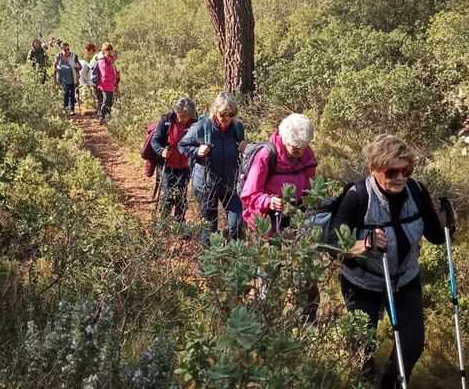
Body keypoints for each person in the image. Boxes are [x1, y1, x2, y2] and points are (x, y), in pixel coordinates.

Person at [333, 134, 448, 389]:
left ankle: (390, 384)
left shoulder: (416, 191)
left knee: (412, 344)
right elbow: (334, 241)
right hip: (363, 282)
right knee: (361, 347)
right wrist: (365, 244)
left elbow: (435, 236)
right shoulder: (358, 195)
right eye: (392, 171)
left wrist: (447, 225)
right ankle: (362, 382)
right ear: (374, 169)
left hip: (405, 279)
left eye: (406, 170)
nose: (400, 178)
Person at [239, 113, 320, 316]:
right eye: (295, 147)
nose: (299, 152)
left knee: (306, 274)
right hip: (269, 224)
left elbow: (308, 183)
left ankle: (307, 323)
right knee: (270, 275)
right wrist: (269, 201)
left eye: (303, 147)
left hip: (296, 222)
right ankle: (268, 320)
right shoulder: (266, 155)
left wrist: (312, 198)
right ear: (284, 138)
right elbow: (248, 195)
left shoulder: (305, 153)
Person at [179, 92, 247, 247]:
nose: (227, 118)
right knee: (210, 226)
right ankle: (208, 263)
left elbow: (240, 149)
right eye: (223, 114)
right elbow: (182, 145)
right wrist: (197, 151)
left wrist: (245, 147)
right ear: (215, 111)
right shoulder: (202, 126)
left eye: (231, 114)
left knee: (237, 222)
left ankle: (233, 258)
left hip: (230, 183)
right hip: (206, 184)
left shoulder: (237, 127)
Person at [150, 97, 198, 223]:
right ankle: (163, 223)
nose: (185, 119)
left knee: (181, 195)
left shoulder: (195, 122)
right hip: (167, 164)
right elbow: (154, 140)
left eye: (187, 116)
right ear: (176, 112)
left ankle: (180, 224)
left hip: (185, 165)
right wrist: (161, 151)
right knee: (168, 194)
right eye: (182, 116)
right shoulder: (166, 121)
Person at [52, 42, 81, 116]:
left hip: (73, 77)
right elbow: (55, 66)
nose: (67, 51)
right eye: (65, 50)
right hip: (63, 78)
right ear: (62, 49)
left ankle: (72, 109)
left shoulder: (74, 56)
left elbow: (80, 67)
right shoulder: (58, 56)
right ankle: (65, 108)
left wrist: (77, 66)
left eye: (68, 49)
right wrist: (56, 68)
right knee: (66, 93)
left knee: (72, 93)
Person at [94, 42, 120, 125]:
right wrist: (115, 76)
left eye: (111, 49)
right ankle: (102, 118)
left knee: (109, 101)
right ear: (104, 50)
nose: (110, 51)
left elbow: (112, 62)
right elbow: (105, 75)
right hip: (105, 84)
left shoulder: (109, 60)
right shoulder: (102, 61)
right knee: (106, 101)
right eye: (107, 49)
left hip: (110, 84)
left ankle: (107, 117)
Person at [85, 42, 103, 112]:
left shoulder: (96, 56)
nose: (86, 52)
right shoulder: (96, 56)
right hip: (96, 80)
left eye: (86, 50)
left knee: (99, 96)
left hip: (98, 80)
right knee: (98, 96)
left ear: (91, 50)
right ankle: (100, 110)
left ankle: (100, 112)